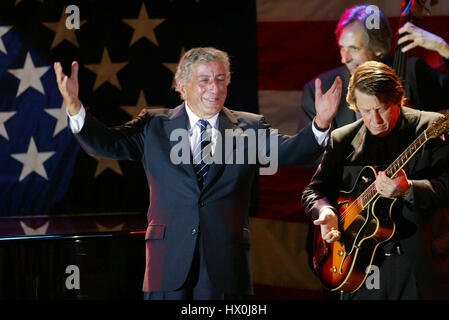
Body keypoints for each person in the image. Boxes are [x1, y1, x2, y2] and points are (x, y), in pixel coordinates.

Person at [54, 47, 341, 300]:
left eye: (220, 79)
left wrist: (321, 122)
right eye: (204, 80)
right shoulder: (153, 125)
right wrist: (75, 108)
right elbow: (105, 143)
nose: (214, 88)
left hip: (225, 265)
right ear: (182, 85)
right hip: (167, 265)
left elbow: (291, 152)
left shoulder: (250, 128)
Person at [302, 60, 449, 299]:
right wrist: (326, 211)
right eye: (366, 111)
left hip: (417, 265)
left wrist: (409, 189)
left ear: (397, 99)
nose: (375, 119)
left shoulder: (429, 126)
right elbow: (314, 191)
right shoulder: (343, 139)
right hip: (359, 267)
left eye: (381, 108)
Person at [301, 4, 449, 132]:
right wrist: (321, 126)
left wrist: (443, 48)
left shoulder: (412, 71)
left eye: (354, 48)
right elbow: (308, 155)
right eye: (342, 47)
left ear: (378, 48)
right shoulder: (318, 90)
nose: (344, 59)